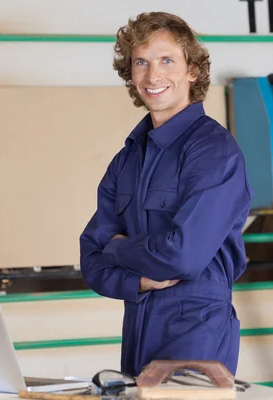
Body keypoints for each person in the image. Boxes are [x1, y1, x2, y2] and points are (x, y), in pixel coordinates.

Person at [79, 11, 253, 378]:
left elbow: (183, 257)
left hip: (196, 332)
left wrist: (117, 248)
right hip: (139, 326)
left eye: (166, 61)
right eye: (140, 62)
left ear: (192, 70)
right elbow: (91, 261)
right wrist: (136, 281)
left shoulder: (212, 150)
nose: (152, 76)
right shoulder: (128, 158)